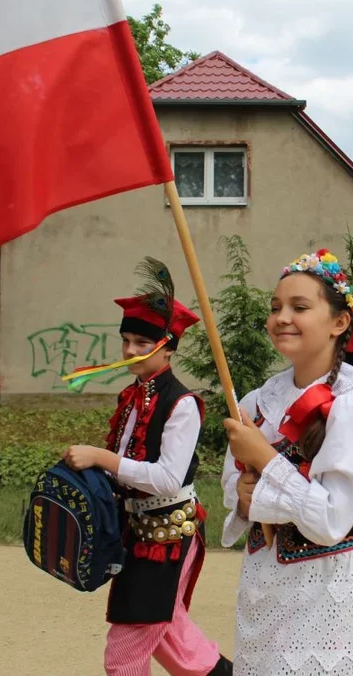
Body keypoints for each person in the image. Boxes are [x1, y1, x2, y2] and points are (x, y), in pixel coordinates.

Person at [220, 248, 353, 675]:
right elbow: (235, 493)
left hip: (340, 589)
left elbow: (330, 521)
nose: (282, 317)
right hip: (267, 588)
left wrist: (264, 460)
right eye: (275, 307)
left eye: (299, 307)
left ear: (340, 323)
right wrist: (244, 498)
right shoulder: (253, 403)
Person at [61, 258, 232, 676]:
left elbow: (168, 477)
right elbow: (121, 471)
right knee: (175, 642)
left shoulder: (183, 404)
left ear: (169, 347)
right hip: (134, 533)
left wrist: (101, 458)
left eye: (143, 342)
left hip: (168, 535)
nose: (131, 350)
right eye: (127, 340)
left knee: (125, 653)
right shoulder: (131, 397)